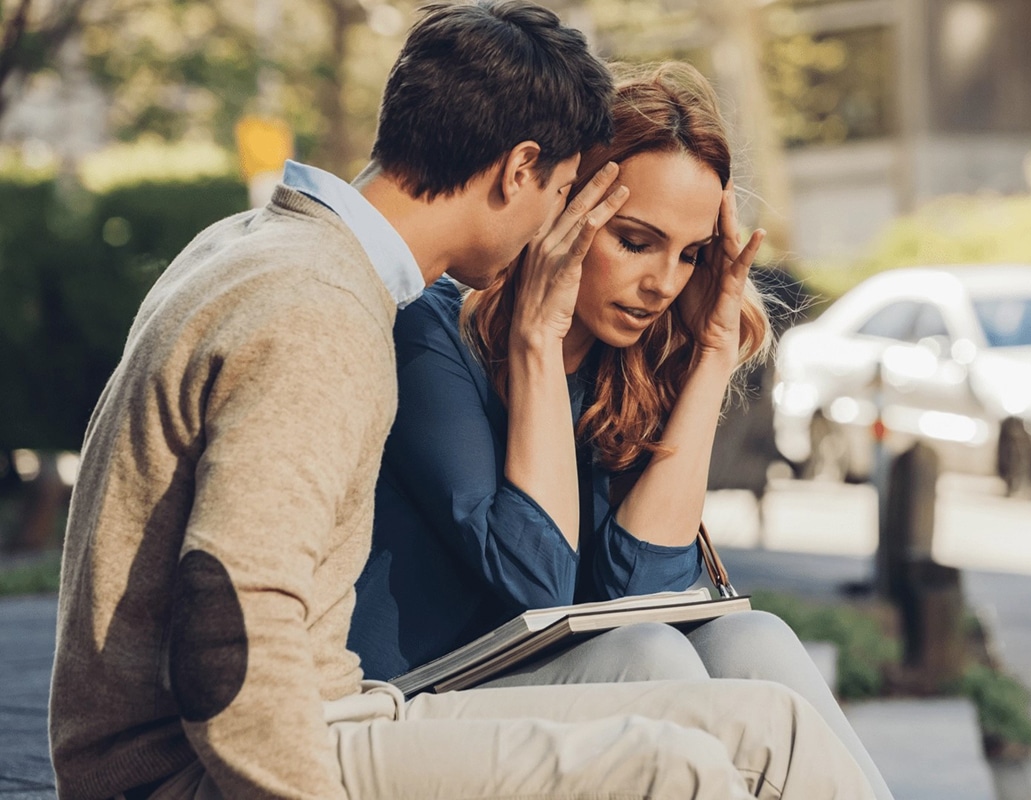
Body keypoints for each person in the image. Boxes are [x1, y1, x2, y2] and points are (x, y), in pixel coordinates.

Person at [48, 2, 876, 798]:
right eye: (563, 193)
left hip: (307, 721)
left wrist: (702, 356)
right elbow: (231, 620)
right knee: (679, 764)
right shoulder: (322, 313)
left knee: (769, 715)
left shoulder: (269, 252)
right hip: (228, 762)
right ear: (521, 170)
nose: (558, 223)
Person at [349, 61, 893, 800]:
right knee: (650, 658)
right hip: (416, 698)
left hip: (552, 680)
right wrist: (537, 339)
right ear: (566, 210)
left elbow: (644, 587)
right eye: (637, 241)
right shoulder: (431, 335)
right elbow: (533, 584)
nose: (665, 283)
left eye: (691, 254)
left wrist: (708, 359)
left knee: (751, 638)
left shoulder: (631, 365)